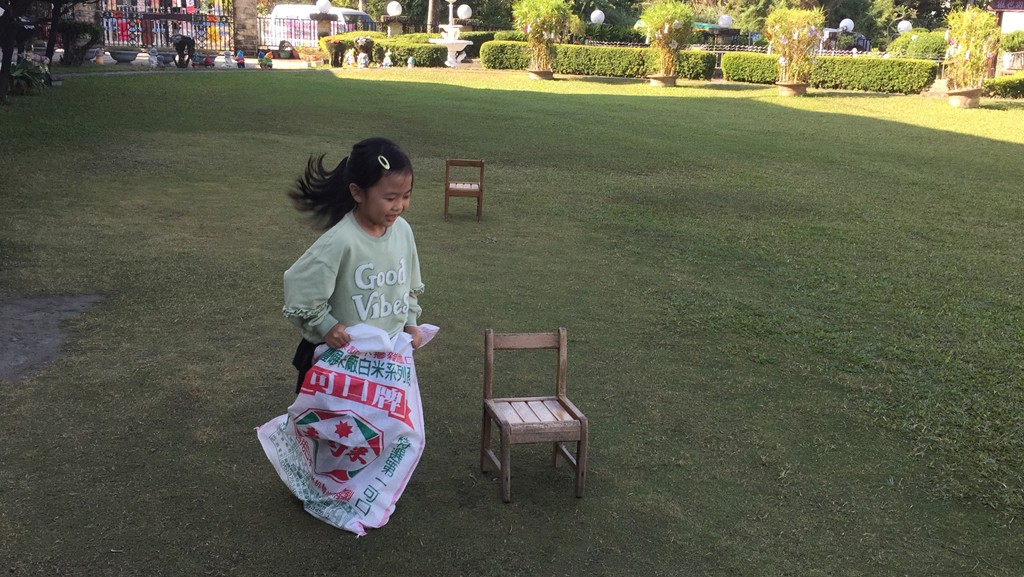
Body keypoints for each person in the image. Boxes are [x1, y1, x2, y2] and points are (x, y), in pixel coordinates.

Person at [283, 137, 424, 393]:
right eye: (390, 197)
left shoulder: (403, 231)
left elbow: (408, 286)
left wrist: (410, 322)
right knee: (334, 420)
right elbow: (299, 283)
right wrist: (326, 325)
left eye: (406, 196)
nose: (399, 206)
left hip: (384, 362)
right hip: (340, 361)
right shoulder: (342, 240)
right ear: (357, 192)